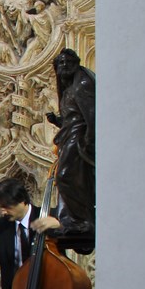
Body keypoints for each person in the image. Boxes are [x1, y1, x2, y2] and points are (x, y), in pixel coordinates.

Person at [45, 47, 96, 251]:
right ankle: (74, 221)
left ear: (76, 63)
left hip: (78, 138)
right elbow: (72, 117)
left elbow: (91, 115)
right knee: (64, 179)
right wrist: (57, 121)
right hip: (69, 137)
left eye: (67, 63)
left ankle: (82, 221)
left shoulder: (82, 84)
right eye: (60, 64)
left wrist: (90, 140)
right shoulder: (68, 90)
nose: (64, 67)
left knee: (66, 177)